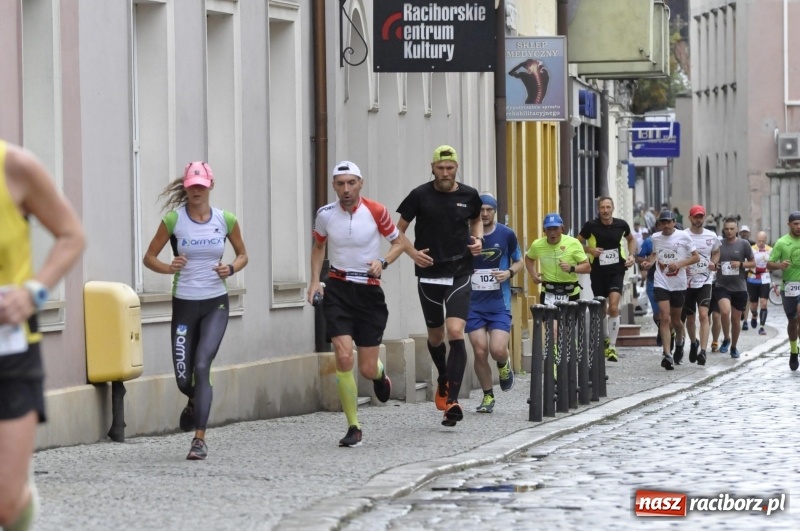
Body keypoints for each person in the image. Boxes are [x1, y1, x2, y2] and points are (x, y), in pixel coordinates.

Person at [0, 140, 85, 530]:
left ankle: (21, 500)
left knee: (6, 506)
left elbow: (71, 235)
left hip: (10, 350)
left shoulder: (14, 167)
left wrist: (33, 293)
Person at [143, 161, 248, 460]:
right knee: (182, 378)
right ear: (186, 187)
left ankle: (199, 439)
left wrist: (230, 268)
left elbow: (243, 254)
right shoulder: (173, 221)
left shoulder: (225, 219)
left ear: (210, 186)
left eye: (201, 185)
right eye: (191, 186)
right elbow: (149, 257)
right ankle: (194, 401)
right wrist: (168, 267)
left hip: (215, 302)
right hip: (185, 304)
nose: (196, 190)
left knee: (202, 366)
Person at [307, 161, 408, 447]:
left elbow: (399, 242)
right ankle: (354, 426)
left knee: (364, 367)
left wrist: (383, 261)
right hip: (337, 288)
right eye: (340, 184)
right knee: (343, 356)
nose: (346, 189)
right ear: (334, 186)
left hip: (368, 291)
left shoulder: (375, 211)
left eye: (351, 183)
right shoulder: (325, 215)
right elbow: (318, 247)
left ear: (360, 183)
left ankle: (378, 375)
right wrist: (315, 281)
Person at [396, 145, 483, 427]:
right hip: (430, 273)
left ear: (456, 168)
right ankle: (443, 378)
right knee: (435, 336)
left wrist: (478, 240)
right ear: (432, 168)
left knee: (456, 331)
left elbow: (476, 220)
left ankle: (453, 402)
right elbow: (397, 231)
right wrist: (412, 253)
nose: (445, 173)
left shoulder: (469, 195)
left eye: (450, 168)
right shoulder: (419, 195)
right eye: (440, 167)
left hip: (460, 271)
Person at [466, 194, 523, 414]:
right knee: (480, 352)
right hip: (473, 304)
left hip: (499, 303)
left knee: (497, 349)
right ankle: (488, 396)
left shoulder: (506, 234)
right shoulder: (467, 235)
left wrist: (508, 273)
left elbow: (519, 260)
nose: (485, 213)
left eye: (489, 209)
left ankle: (503, 363)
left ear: (495, 211)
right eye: (481, 209)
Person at [577, 196, 636, 362]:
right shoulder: (591, 226)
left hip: (617, 270)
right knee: (602, 307)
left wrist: (631, 255)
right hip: (597, 271)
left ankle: (612, 347)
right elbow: (576, 242)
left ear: (613, 208)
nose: (605, 210)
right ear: (598, 209)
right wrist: (590, 250)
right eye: (602, 207)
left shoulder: (621, 224)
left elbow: (631, 239)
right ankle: (604, 338)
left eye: (608, 207)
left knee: (614, 307)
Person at [641, 210, 699, 370]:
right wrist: (648, 264)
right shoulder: (655, 238)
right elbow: (654, 255)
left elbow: (696, 257)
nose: (666, 225)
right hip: (661, 282)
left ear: (674, 222)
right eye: (663, 222)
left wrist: (680, 264)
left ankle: (680, 341)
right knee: (664, 318)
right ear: (659, 224)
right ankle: (667, 354)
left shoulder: (684, 236)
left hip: (678, 284)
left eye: (668, 222)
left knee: (676, 321)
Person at [681, 205, 720, 366]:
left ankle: (703, 351)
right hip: (687, 282)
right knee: (690, 319)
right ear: (690, 218)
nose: (699, 219)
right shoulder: (683, 235)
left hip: (705, 281)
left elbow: (716, 252)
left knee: (704, 315)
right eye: (696, 217)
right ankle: (694, 342)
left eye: (701, 216)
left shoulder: (711, 235)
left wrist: (714, 263)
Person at [713, 217, 755, 359]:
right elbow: (712, 260)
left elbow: (753, 263)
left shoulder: (744, 244)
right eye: (727, 229)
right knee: (725, 312)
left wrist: (741, 264)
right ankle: (726, 338)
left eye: (732, 229)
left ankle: (734, 347)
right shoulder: (719, 244)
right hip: (722, 285)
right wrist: (714, 265)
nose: (729, 231)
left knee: (736, 320)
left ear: (737, 229)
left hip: (739, 286)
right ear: (723, 230)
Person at [767, 211, 800, 371]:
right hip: (788, 287)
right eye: (796, 224)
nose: (799, 226)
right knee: (792, 321)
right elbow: (769, 264)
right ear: (789, 224)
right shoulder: (781, 243)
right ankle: (794, 351)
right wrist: (780, 266)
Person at [745, 231, 772, 336]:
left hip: (764, 278)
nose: (761, 243)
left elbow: (773, 263)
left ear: (766, 240)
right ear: (756, 239)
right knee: (753, 305)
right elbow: (746, 262)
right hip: (752, 278)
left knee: (764, 303)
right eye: (759, 240)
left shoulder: (770, 250)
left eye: (763, 241)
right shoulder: (751, 249)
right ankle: (754, 315)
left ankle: (762, 327)